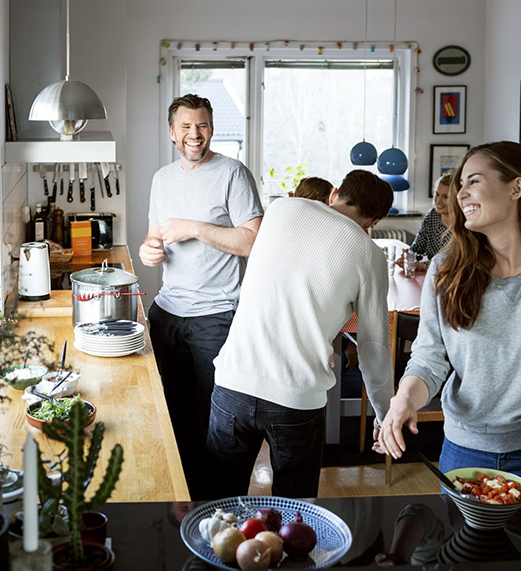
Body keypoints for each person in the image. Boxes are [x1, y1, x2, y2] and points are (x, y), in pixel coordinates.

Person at [374, 141, 521, 491]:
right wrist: (404, 399)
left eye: (474, 182)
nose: (460, 195)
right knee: (463, 547)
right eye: (460, 185)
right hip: (465, 452)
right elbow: (429, 359)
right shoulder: (445, 269)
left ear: (517, 187)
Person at [208, 170, 396, 498]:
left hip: (232, 382)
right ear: (374, 221)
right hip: (295, 398)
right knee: (294, 513)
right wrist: (384, 411)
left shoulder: (281, 209)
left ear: (336, 191)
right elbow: (373, 347)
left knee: (218, 502)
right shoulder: (369, 253)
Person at [138, 93, 264, 500]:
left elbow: (253, 241)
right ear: (172, 132)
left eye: (203, 125)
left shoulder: (232, 174)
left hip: (216, 315)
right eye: (187, 127)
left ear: (212, 128)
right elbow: (153, 238)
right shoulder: (162, 179)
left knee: (215, 418)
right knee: (169, 409)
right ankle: (179, 493)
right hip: (167, 310)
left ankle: (215, 504)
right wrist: (147, 251)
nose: (196, 134)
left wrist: (196, 227)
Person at [410, 173, 453, 259]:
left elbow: (453, 263)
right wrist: (408, 257)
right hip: (430, 271)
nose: (438, 201)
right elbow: (416, 249)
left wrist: (424, 265)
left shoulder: (465, 224)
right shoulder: (432, 216)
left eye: (445, 197)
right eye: (437, 194)